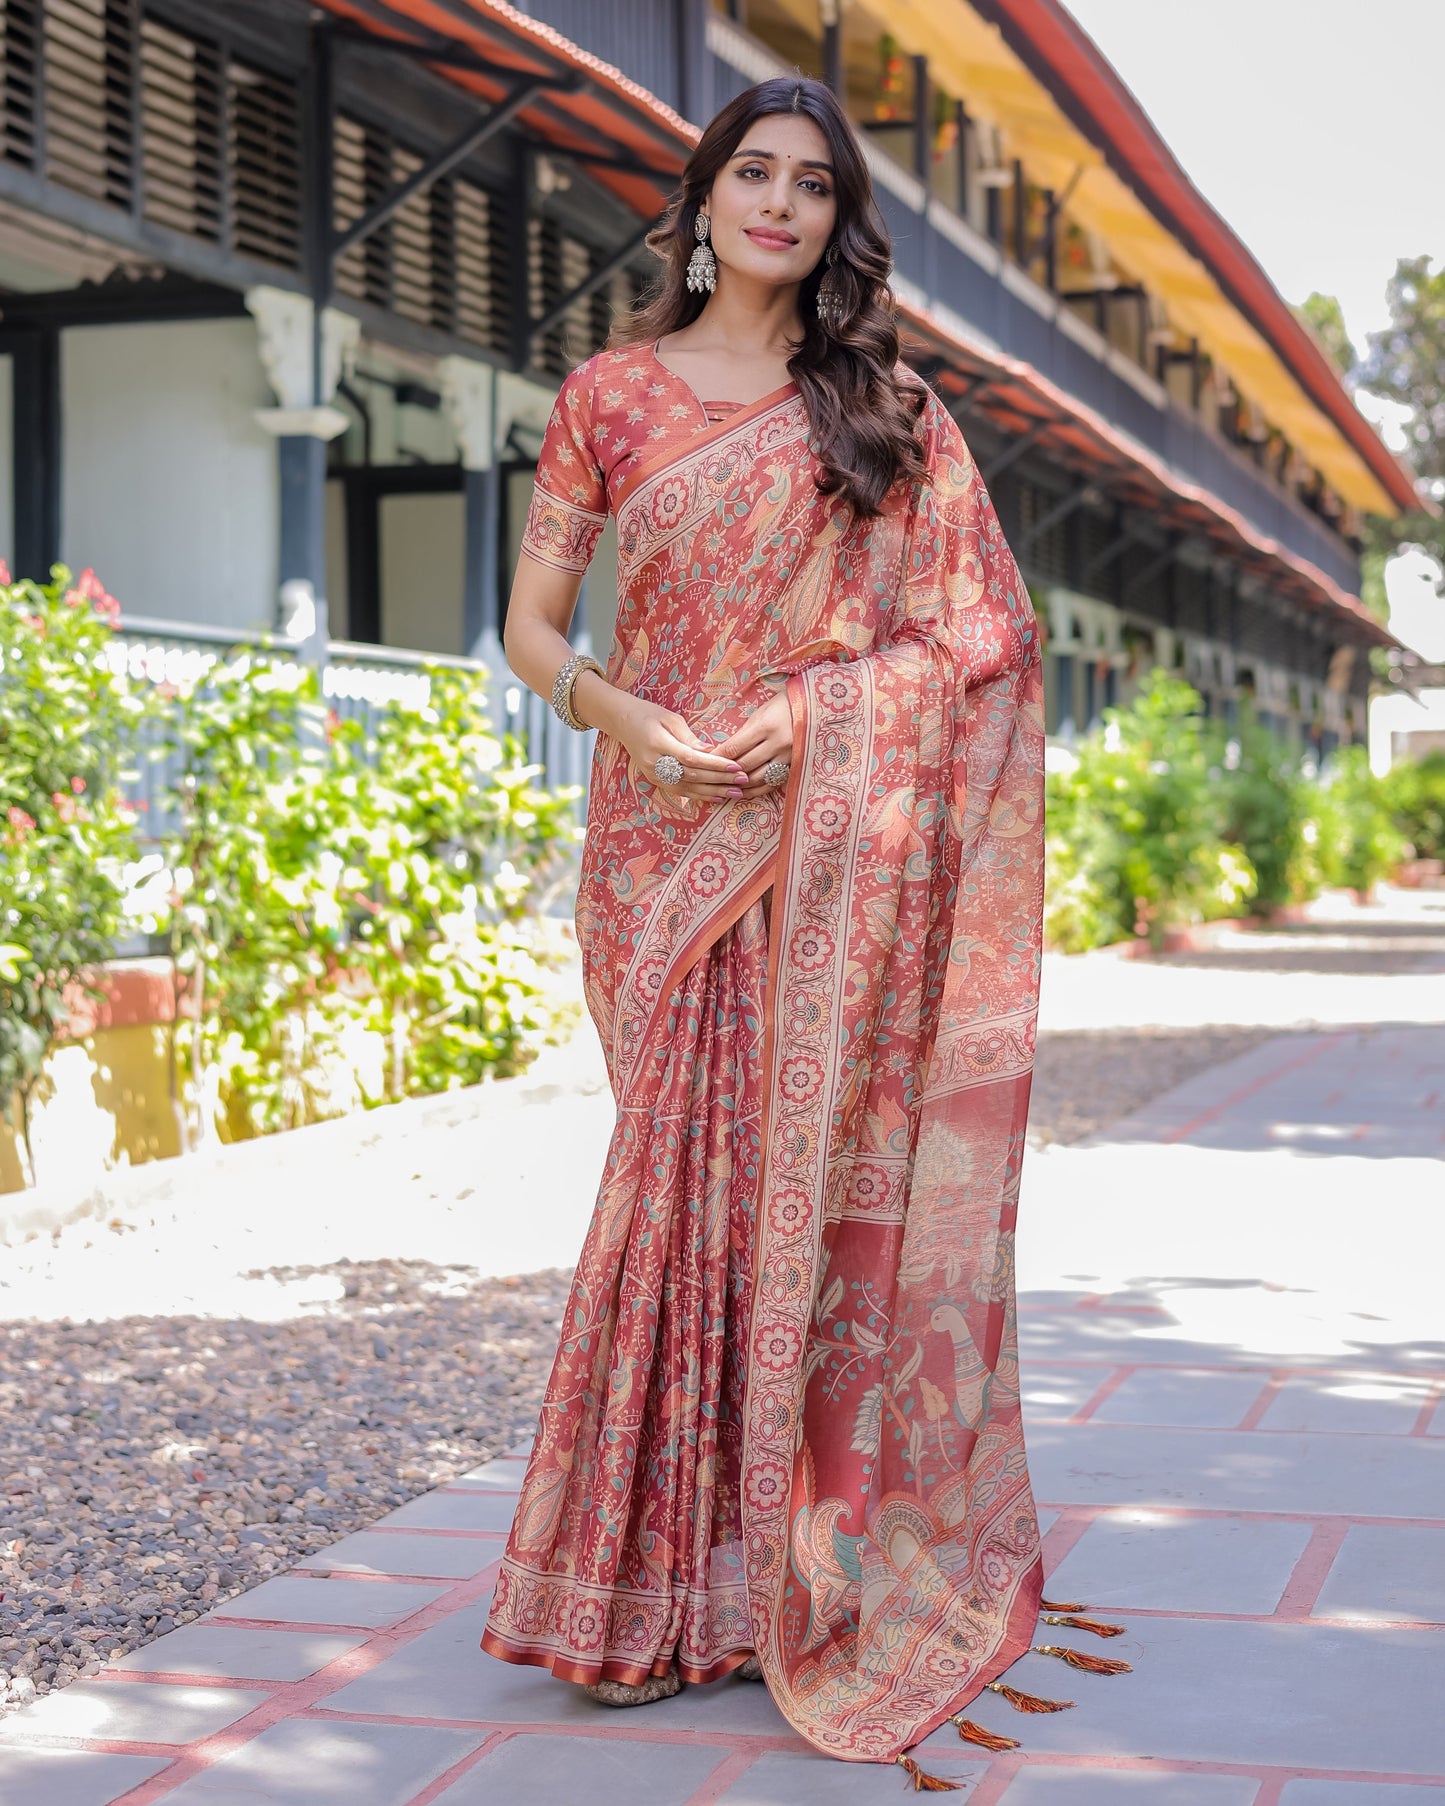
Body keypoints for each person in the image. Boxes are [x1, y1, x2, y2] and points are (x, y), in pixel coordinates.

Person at [481, 75, 1089, 1784]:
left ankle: (770, 1586)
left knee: (784, 1204)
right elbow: (530, 626)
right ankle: (634, 1588)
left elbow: (983, 637)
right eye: (750, 172)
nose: (777, 205)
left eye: (810, 185)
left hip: (826, 852)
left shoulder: (880, 406)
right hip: (660, 840)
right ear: (699, 196)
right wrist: (619, 712)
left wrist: (825, 721)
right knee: (671, 1195)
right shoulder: (607, 393)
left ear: (836, 221)